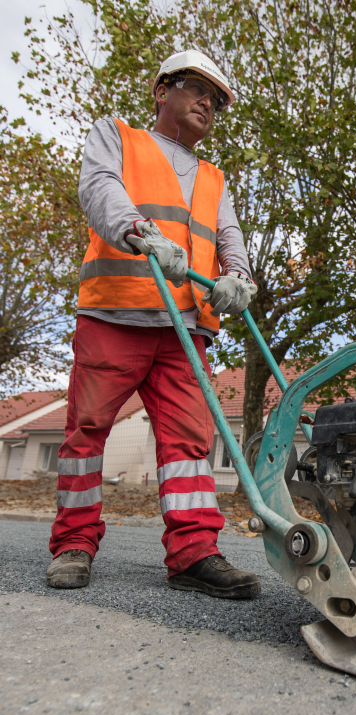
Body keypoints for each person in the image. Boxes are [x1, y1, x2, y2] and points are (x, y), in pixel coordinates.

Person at [46, 51, 261, 599]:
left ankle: (194, 554)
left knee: (190, 441)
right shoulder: (117, 136)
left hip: (185, 328)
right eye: (197, 89)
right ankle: (74, 543)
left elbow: (229, 235)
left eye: (217, 100)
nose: (208, 103)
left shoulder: (214, 177)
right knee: (87, 431)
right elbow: (98, 189)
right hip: (115, 314)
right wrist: (142, 233)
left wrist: (238, 275)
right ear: (162, 90)